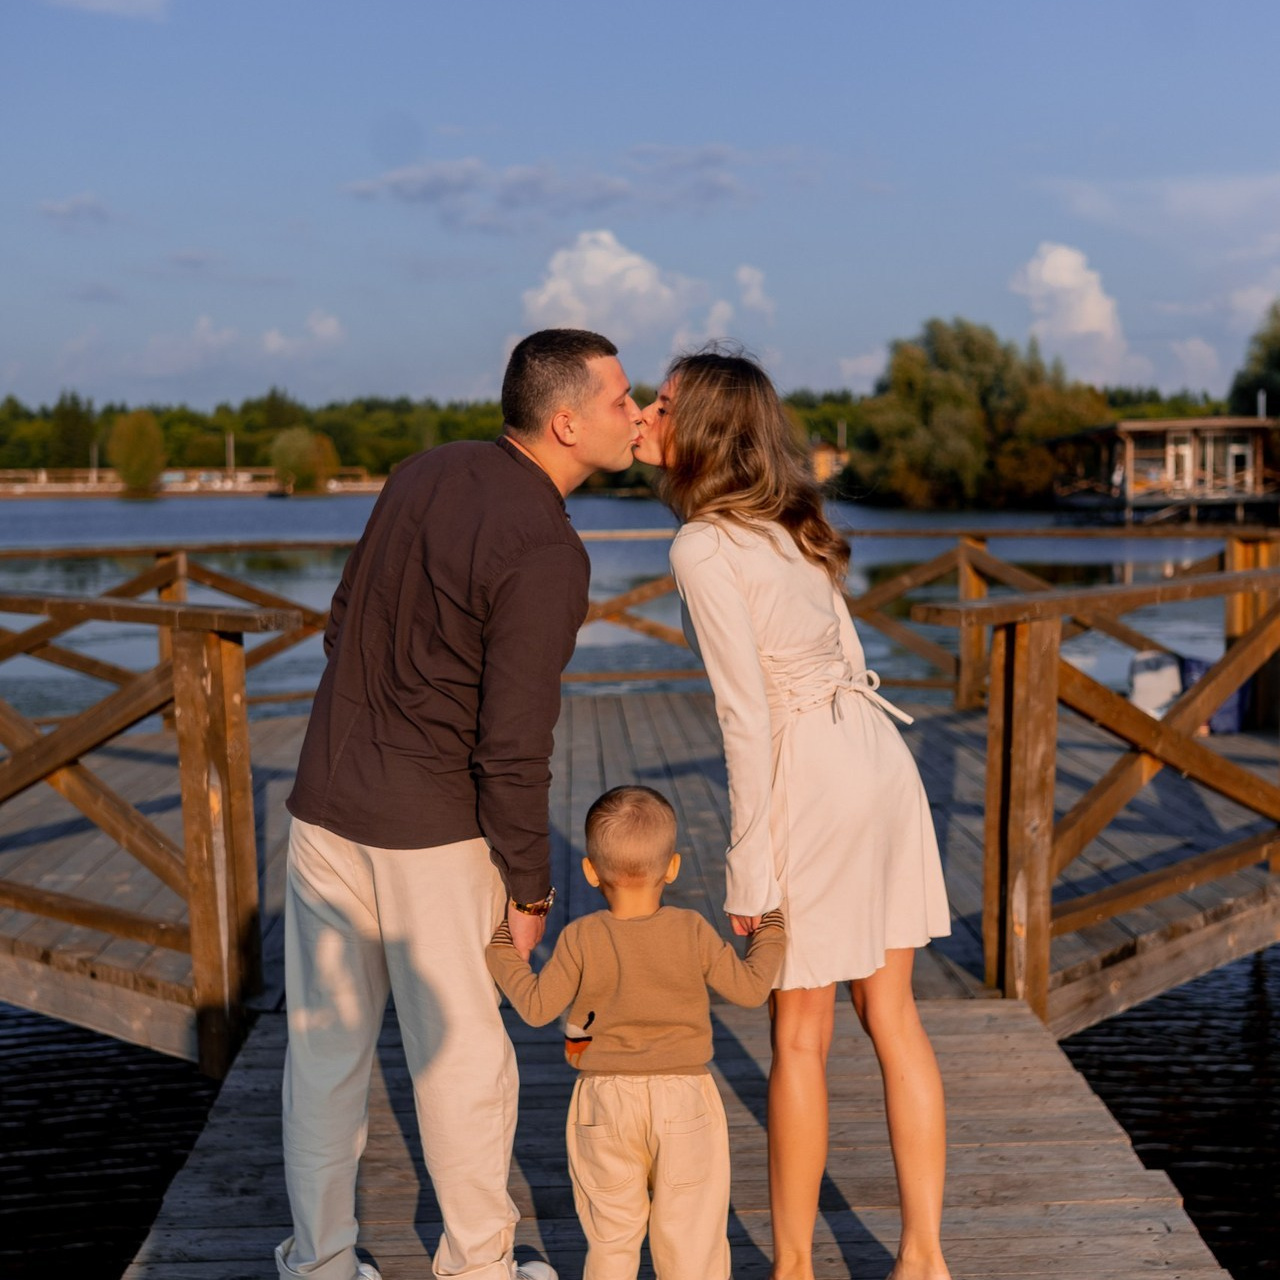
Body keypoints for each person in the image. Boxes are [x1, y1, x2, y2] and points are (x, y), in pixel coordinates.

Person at [275, 329, 642, 1280]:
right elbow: (513, 747)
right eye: (620, 400)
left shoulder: (424, 469)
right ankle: (478, 1267)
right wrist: (530, 889)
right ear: (565, 423)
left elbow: (343, 618)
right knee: (463, 1061)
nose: (636, 415)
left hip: (325, 805)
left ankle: (318, 1264)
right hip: (433, 834)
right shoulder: (548, 549)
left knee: (324, 1054)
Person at [633, 349, 953, 1280]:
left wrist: (749, 872)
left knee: (799, 1035)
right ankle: (926, 1257)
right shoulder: (793, 521)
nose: (647, 416)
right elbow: (845, 655)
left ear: (701, 430)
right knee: (893, 1017)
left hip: (812, 775)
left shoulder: (702, 545)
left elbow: (745, 717)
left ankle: (795, 1268)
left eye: (662, 403)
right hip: (877, 759)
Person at [485, 784, 785, 1280]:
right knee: (692, 1242)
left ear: (590, 871)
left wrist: (501, 949)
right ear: (673, 868)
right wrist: (771, 928)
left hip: (602, 1101)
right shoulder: (690, 929)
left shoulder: (581, 936)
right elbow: (752, 990)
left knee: (612, 1237)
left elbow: (538, 1009)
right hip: (685, 1097)